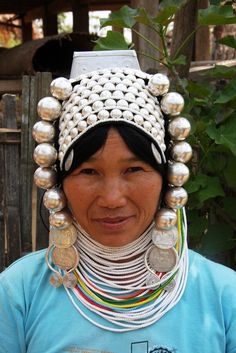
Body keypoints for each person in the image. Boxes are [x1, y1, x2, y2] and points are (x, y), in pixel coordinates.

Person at [0, 51, 235, 353]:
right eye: (89, 171)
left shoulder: (224, 297)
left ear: (168, 176)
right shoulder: (17, 295)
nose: (112, 198)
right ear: (58, 182)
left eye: (134, 169)